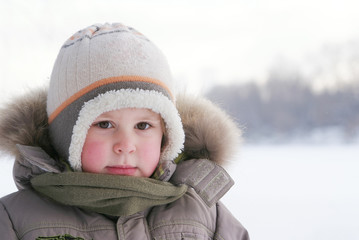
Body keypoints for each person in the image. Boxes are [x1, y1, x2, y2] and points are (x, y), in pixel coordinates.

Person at [0, 23, 249, 239]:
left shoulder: (205, 215)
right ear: (66, 136)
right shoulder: (15, 220)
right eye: (105, 124)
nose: (126, 144)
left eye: (143, 125)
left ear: (166, 136)